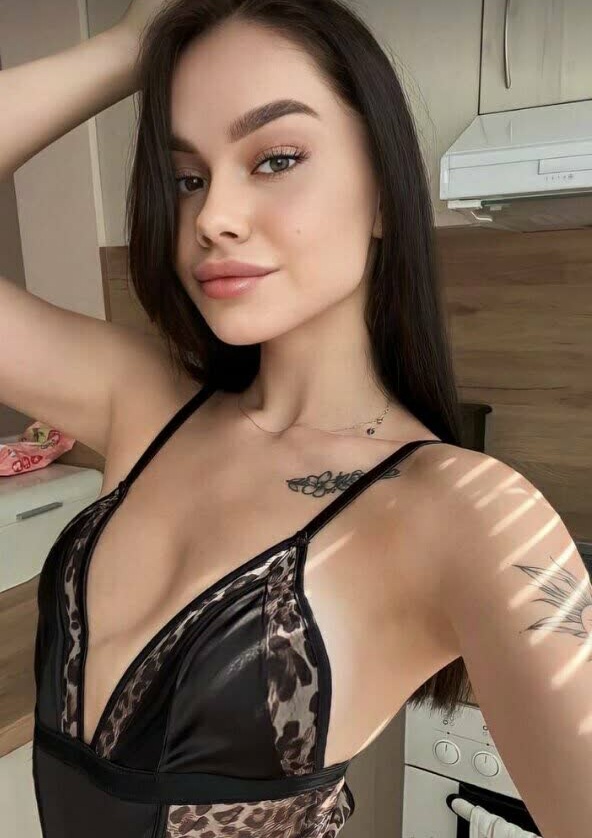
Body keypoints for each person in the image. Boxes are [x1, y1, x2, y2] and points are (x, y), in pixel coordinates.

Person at [1, 1, 588, 836]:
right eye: (188, 177)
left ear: (382, 194)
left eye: (275, 159)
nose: (212, 217)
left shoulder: (464, 513)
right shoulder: (144, 401)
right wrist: (131, 47)